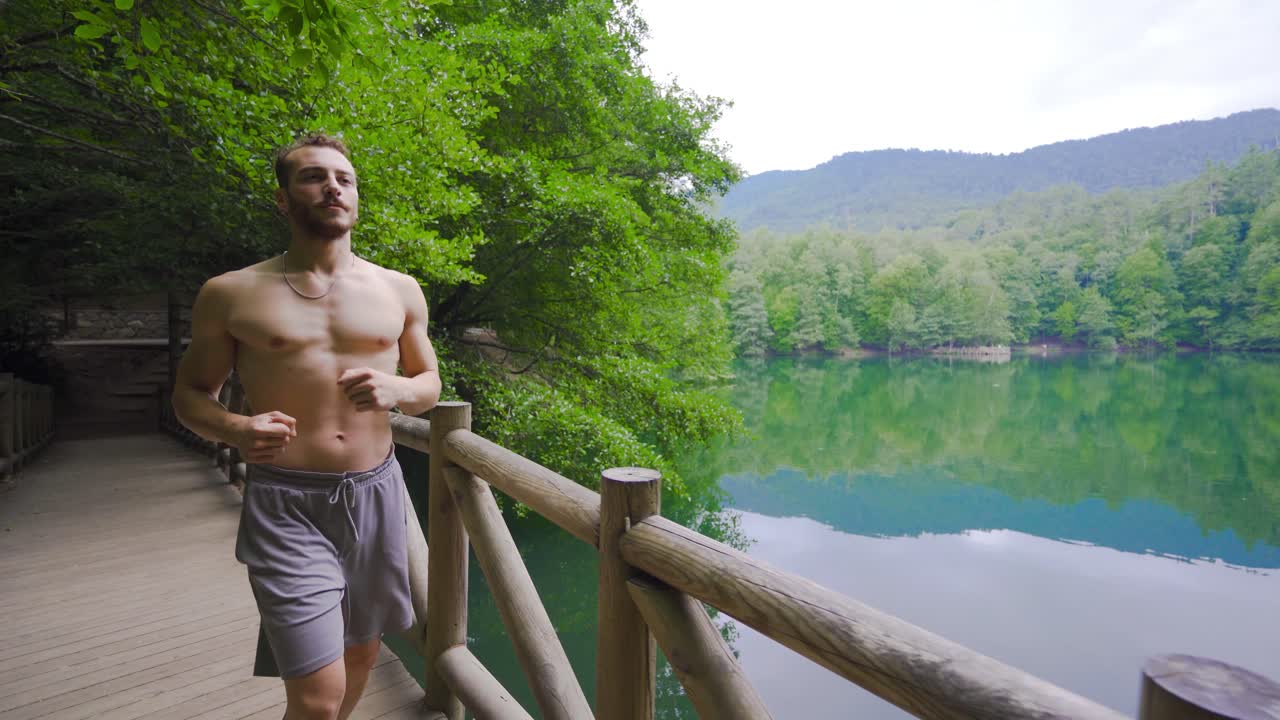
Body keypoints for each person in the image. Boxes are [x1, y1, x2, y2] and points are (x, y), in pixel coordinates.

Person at [173, 133, 441, 720]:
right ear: (283, 198)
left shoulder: (398, 289)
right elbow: (190, 396)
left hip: (376, 494)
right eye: (314, 177)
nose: (332, 188)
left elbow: (428, 385)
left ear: (357, 197)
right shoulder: (230, 293)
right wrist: (237, 429)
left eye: (344, 179)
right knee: (318, 698)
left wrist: (397, 390)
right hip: (286, 503)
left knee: (362, 654)